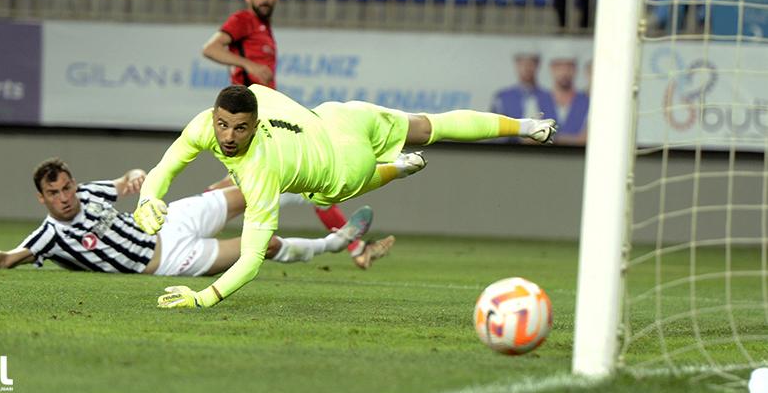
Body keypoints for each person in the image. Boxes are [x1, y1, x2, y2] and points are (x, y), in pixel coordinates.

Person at [134, 84, 558, 309]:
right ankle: (527, 126)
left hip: (343, 165)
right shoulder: (234, 108)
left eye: (239, 128)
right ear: (213, 117)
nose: (228, 136)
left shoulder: (260, 175)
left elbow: (250, 261)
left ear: (255, 124)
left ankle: (397, 169)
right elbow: (165, 167)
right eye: (223, 125)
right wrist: (147, 197)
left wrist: (203, 297)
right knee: (430, 125)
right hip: (338, 116)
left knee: (323, 197)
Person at [200, 0, 394, 268]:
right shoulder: (243, 20)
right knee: (265, 186)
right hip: (250, 125)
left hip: (264, 119)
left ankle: (355, 248)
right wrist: (248, 64)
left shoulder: (263, 28)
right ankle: (178, 226)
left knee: (300, 184)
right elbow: (210, 48)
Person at [0, 158, 375, 275]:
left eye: (67, 187)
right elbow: (6, 258)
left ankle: (326, 189)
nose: (64, 198)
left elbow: (125, 180)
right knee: (264, 245)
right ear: (42, 199)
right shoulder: (49, 237)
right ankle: (335, 243)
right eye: (54, 194)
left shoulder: (89, 192)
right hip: (168, 261)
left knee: (249, 192)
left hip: (170, 221)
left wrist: (135, 176)